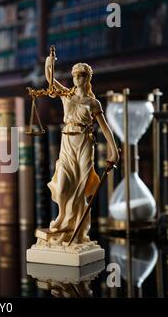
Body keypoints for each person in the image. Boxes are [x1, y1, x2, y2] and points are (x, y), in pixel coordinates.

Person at [44, 53, 119, 244]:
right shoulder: (66, 96)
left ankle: (77, 228)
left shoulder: (93, 103)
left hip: (84, 143)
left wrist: (114, 150)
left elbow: (105, 127)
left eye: (82, 75)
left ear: (88, 78)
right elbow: (51, 81)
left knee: (80, 187)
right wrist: (49, 63)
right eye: (76, 75)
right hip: (67, 143)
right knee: (62, 186)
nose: (78, 79)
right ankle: (62, 216)